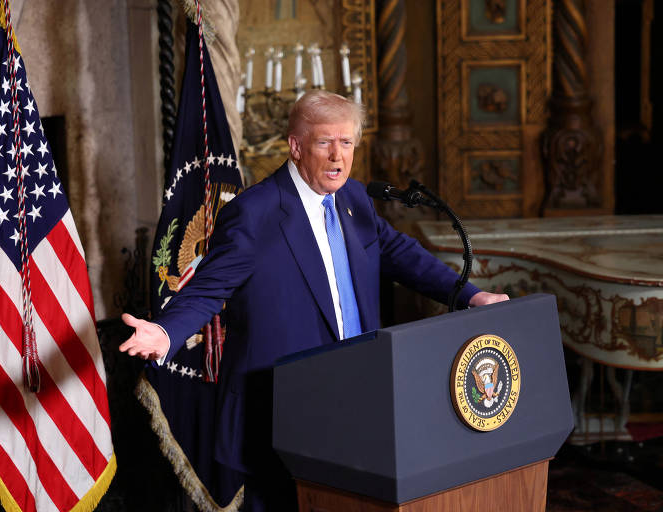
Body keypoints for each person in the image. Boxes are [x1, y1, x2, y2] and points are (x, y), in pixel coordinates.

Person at [120, 90, 508, 510]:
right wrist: (166, 330)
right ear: (296, 146)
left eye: (347, 143)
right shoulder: (257, 212)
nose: (337, 156)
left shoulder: (354, 200)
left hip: (358, 397)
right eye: (325, 142)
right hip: (281, 413)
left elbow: (398, 252)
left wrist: (471, 296)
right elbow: (211, 287)